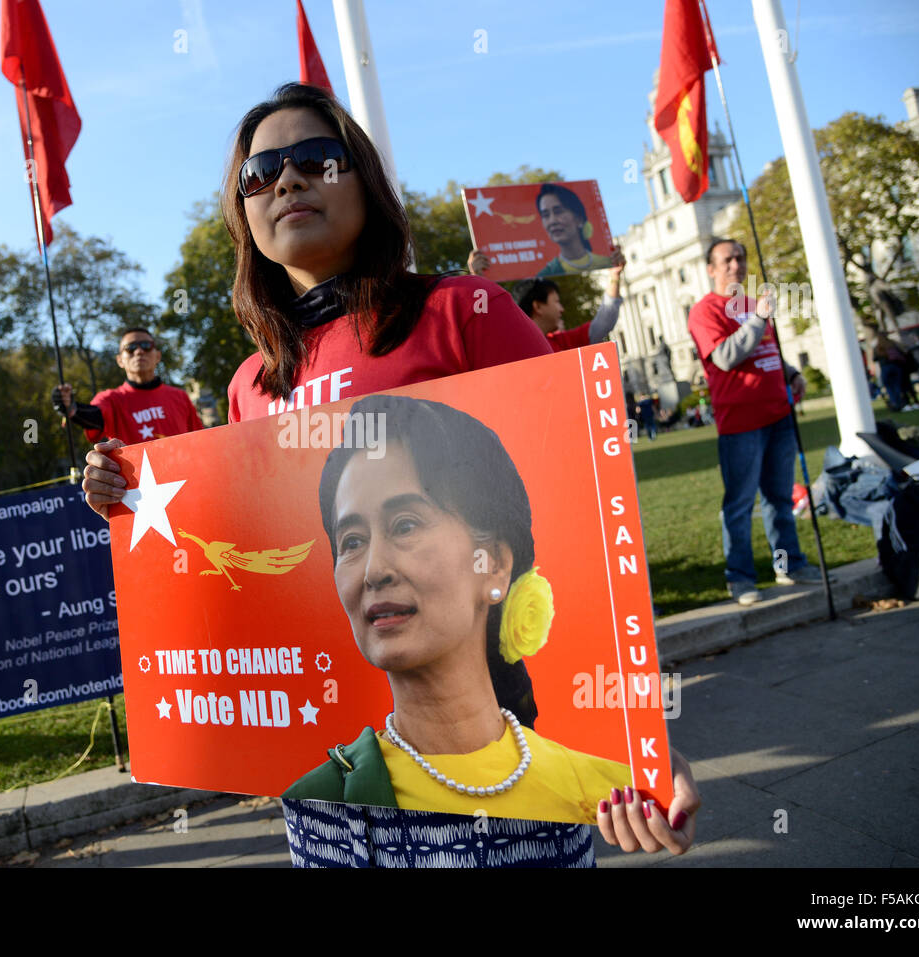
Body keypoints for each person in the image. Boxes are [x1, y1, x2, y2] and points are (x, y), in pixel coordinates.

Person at [83, 82, 700, 866]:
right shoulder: (249, 386)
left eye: (314, 158)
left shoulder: (464, 311)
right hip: (333, 798)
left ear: (363, 182)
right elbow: (256, 569)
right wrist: (123, 494)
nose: (287, 180)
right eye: (260, 172)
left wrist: (636, 743)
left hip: (495, 795)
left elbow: (570, 505)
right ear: (244, 215)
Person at [284, 394, 633, 824]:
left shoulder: (596, 784)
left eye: (406, 525)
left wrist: (664, 785)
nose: (374, 571)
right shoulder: (323, 799)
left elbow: (662, 799)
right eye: (352, 542)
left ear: (496, 565)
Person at [688, 238, 822, 606]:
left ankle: (788, 565)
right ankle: (741, 578)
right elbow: (727, 357)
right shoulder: (704, 311)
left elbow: (769, 350)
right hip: (741, 423)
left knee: (779, 498)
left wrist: (792, 372)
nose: (736, 265)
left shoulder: (751, 305)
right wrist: (759, 318)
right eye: (727, 260)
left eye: (740, 258)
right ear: (711, 269)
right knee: (740, 503)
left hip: (778, 413)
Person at [53, 328, 205, 444]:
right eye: (130, 348)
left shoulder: (180, 396)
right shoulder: (111, 399)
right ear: (120, 360)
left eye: (146, 346)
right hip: (136, 484)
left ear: (158, 356)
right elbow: (94, 415)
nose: (139, 352)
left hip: (185, 478)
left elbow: (201, 440)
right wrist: (71, 407)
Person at [467, 248, 627, 352]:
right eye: (556, 302)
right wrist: (478, 280)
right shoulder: (509, 346)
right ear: (538, 306)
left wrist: (615, 275)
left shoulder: (562, 342)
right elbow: (483, 326)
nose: (562, 309)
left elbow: (603, 323)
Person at [532, 183, 613, 277]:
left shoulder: (607, 263)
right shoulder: (545, 274)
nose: (552, 221)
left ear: (579, 218)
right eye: (546, 215)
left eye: (558, 211)